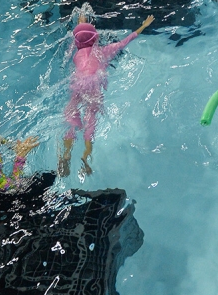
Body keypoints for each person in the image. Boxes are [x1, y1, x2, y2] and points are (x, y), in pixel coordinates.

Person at [59, 14, 154, 176]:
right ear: (95, 38)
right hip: (94, 85)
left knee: (72, 115)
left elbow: (82, 36)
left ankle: (67, 152)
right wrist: (143, 25)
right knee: (91, 119)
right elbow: (126, 41)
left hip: (78, 84)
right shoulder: (104, 51)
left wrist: (81, 19)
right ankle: (86, 155)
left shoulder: (77, 54)